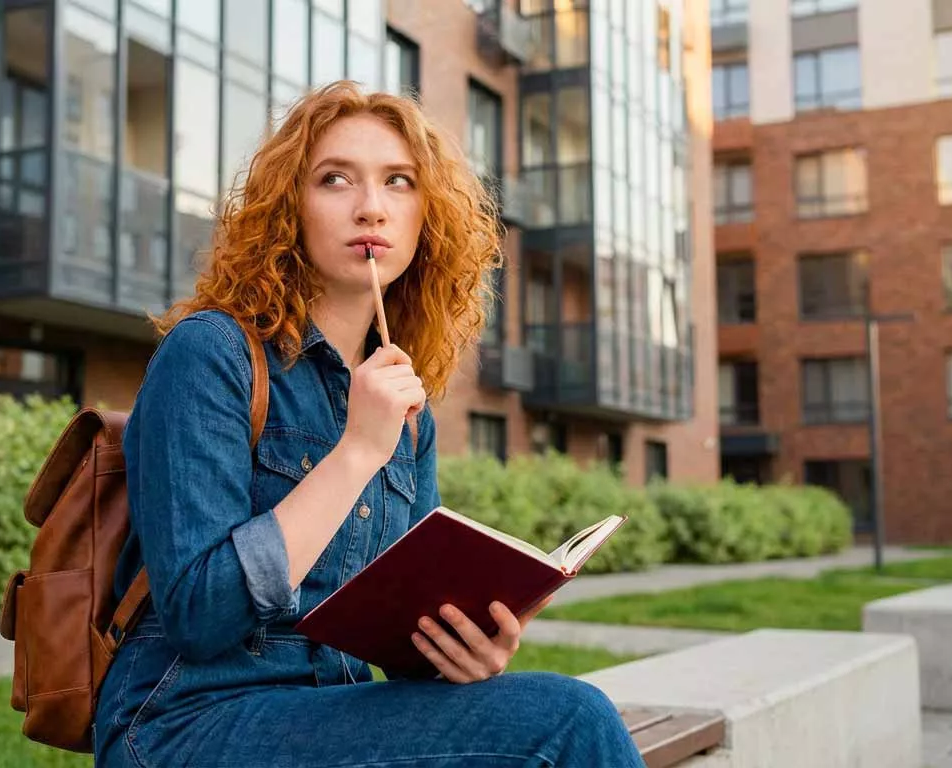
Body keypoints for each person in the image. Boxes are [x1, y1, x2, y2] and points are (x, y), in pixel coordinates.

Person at [94, 80, 644, 767]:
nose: (370, 207)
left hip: (330, 711)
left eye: (399, 182)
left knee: (544, 715)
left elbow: (397, 637)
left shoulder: (406, 414)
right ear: (289, 208)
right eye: (334, 180)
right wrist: (357, 450)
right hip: (187, 720)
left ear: (427, 218)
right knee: (570, 721)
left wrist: (464, 650)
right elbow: (200, 615)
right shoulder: (212, 354)